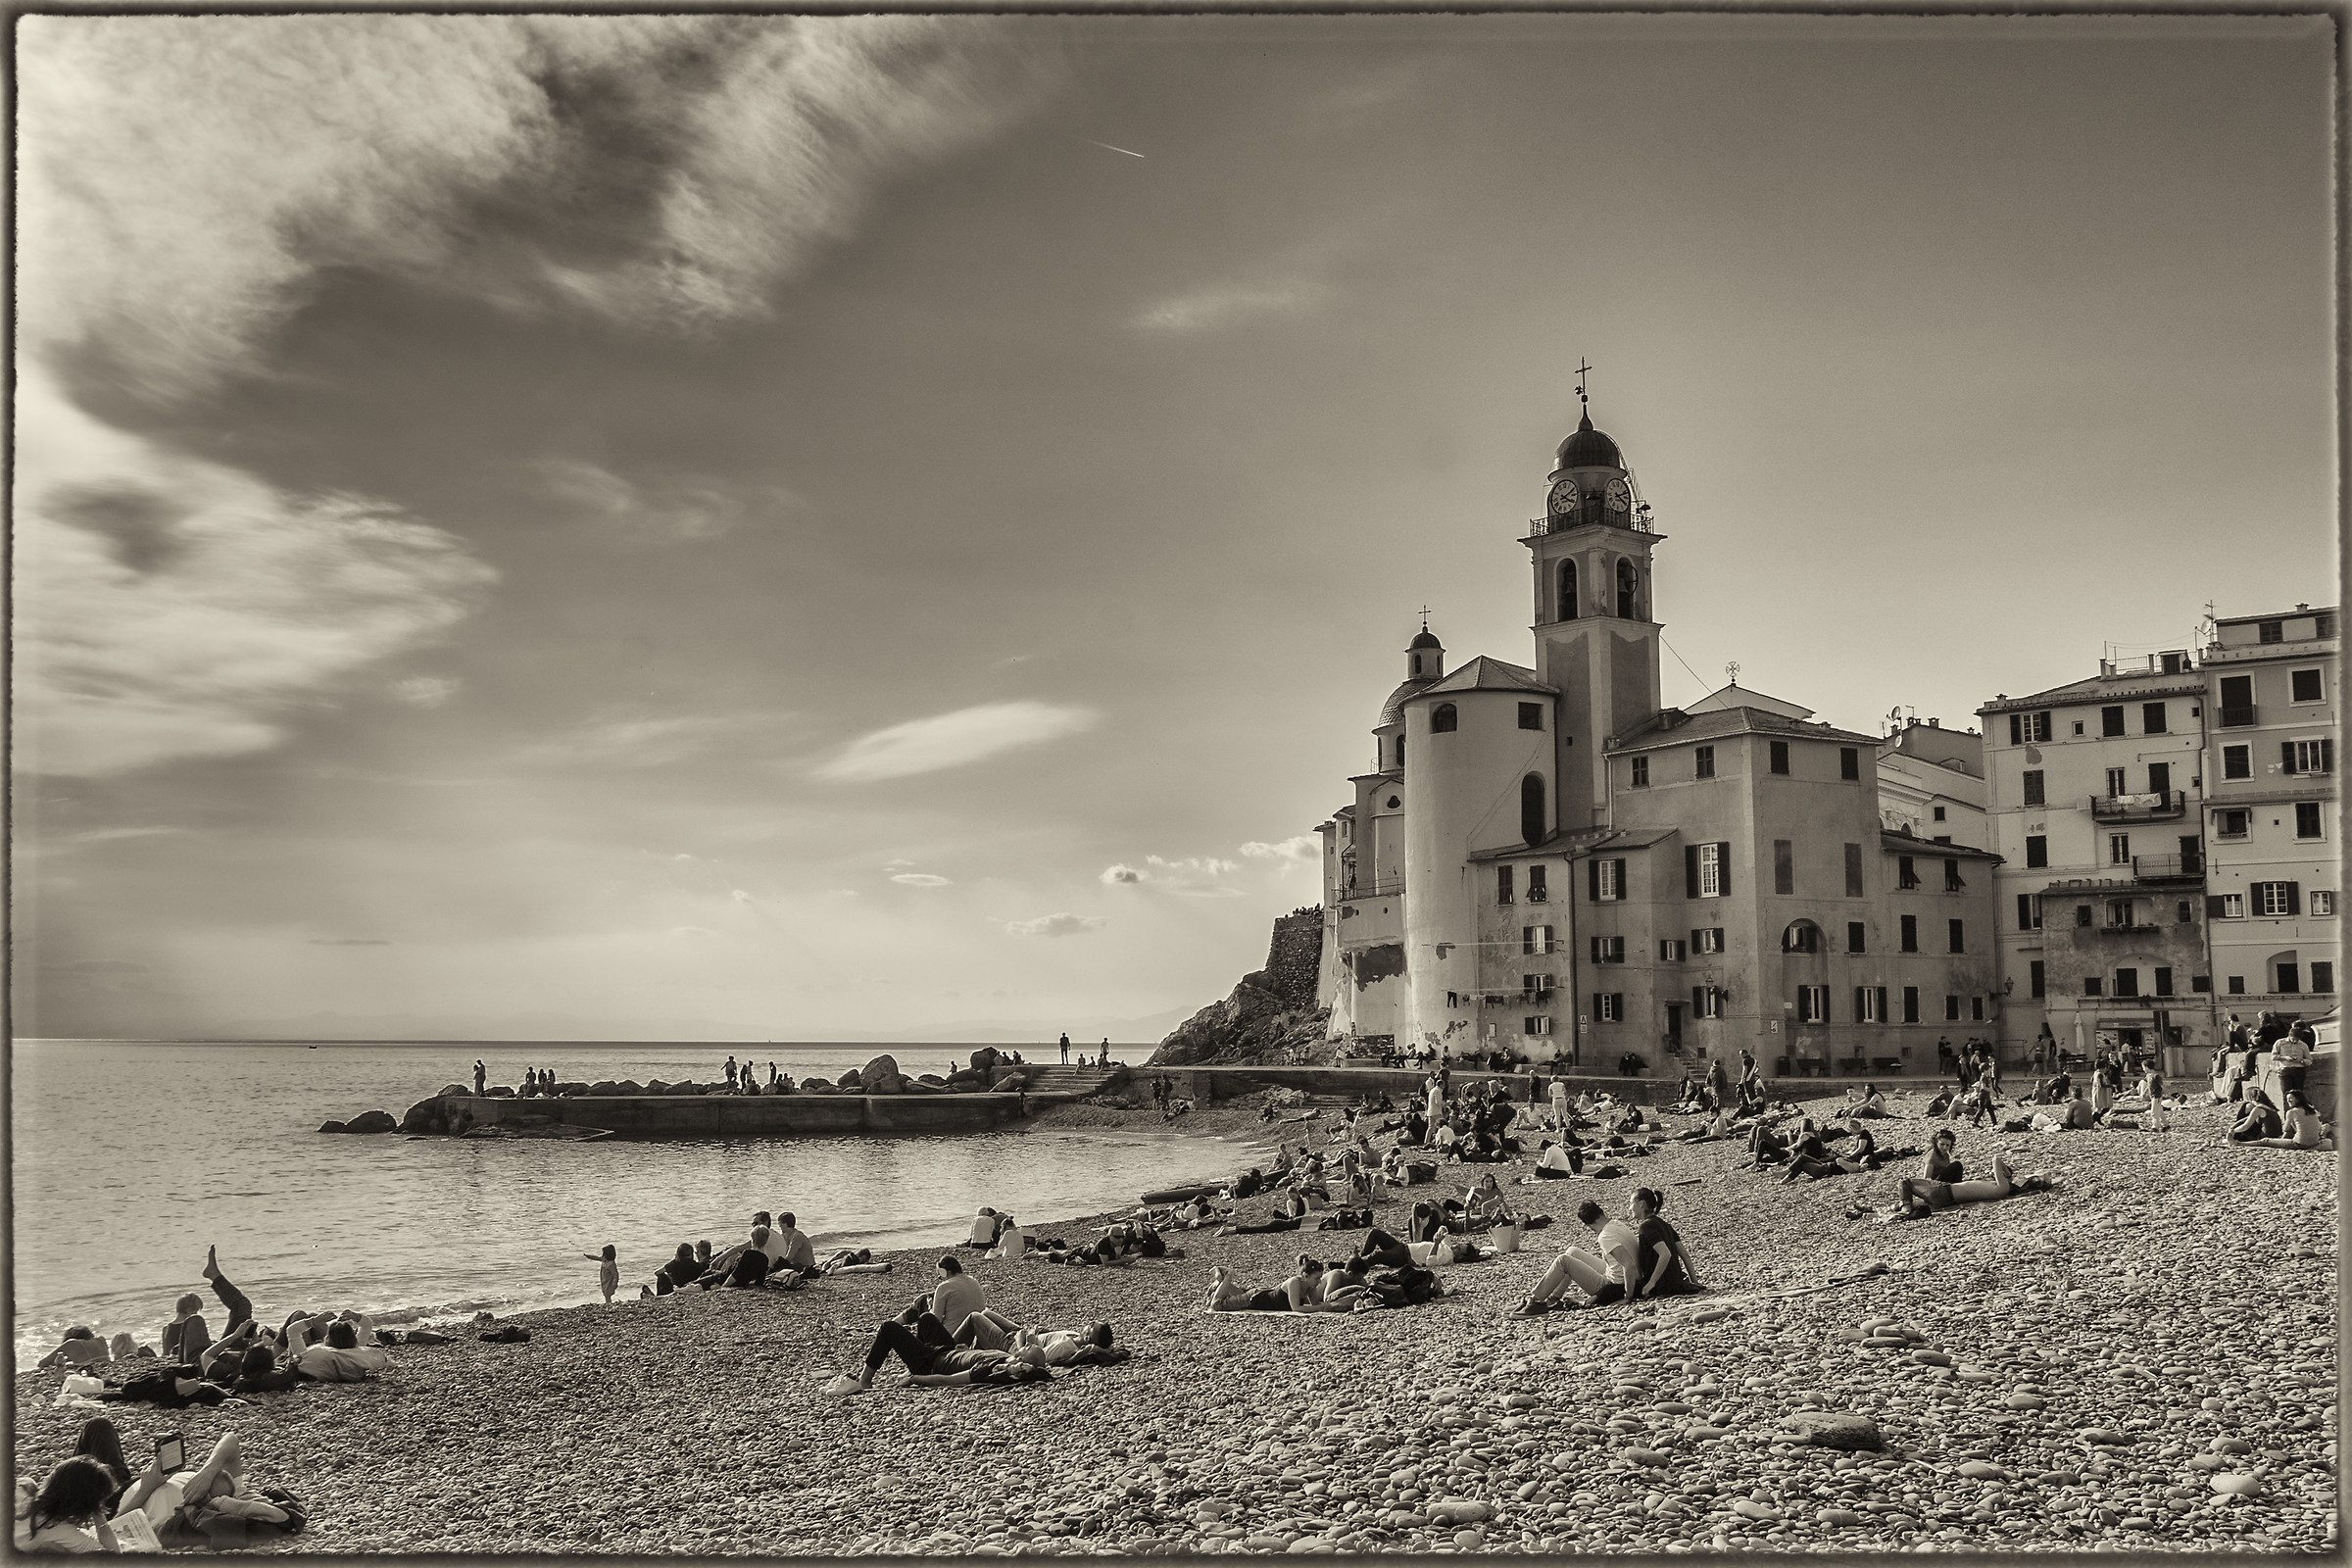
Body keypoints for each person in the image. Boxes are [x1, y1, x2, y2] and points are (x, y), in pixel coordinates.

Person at [1513, 1200, 1638, 1314]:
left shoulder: (1605, 1236)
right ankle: (1553, 1298)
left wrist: (1628, 1297)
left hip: (1613, 1287)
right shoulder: (1616, 1224)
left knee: (1563, 1260)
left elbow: (1629, 1264)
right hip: (1618, 1276)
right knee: (1572, 1251)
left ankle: (1536, 1300)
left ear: (1589, 1223)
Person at [1629, 1187, 1701, 1298]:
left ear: (1641, 1204)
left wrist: (1650, 1284)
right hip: (1676, 1283)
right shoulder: (1665, 1225)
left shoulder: (1646, 1226)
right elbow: (1685, 1255)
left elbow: (1665, 1254)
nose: (1629, 1208)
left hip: (1661, 1286)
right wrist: (1694, 1282)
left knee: (1611, 1291)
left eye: (1631, 1203)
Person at [160, 1293, 211, 1367]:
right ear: (189, 1310)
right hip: (187, 1360)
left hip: (172, 1360)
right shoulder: (190, 1326)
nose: (196, 1314)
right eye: (195, 1311)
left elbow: (165, 1353)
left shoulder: (165, 1328)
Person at [771, 1213, 817, 1278]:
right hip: (796, 1264)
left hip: (805, 1266)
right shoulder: (786, 1236)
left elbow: (789, 1257)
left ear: (785, 1224)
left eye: (780, 1224)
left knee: (779, 1265)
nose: (779, 1226)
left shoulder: (797, 1236)